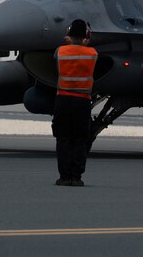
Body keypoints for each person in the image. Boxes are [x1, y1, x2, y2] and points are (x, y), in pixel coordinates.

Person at [52, 19, 97, 186]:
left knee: (63, 138)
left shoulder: (60, 51)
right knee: (80, 139)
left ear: (68, 34)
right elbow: (85, 50)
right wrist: (84, 43)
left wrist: (70, 42)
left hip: (62, 99)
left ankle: (64, 177)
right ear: (86, 36)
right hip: (83, 101)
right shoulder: (92, 53)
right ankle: (76, 177)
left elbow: (57, 63)